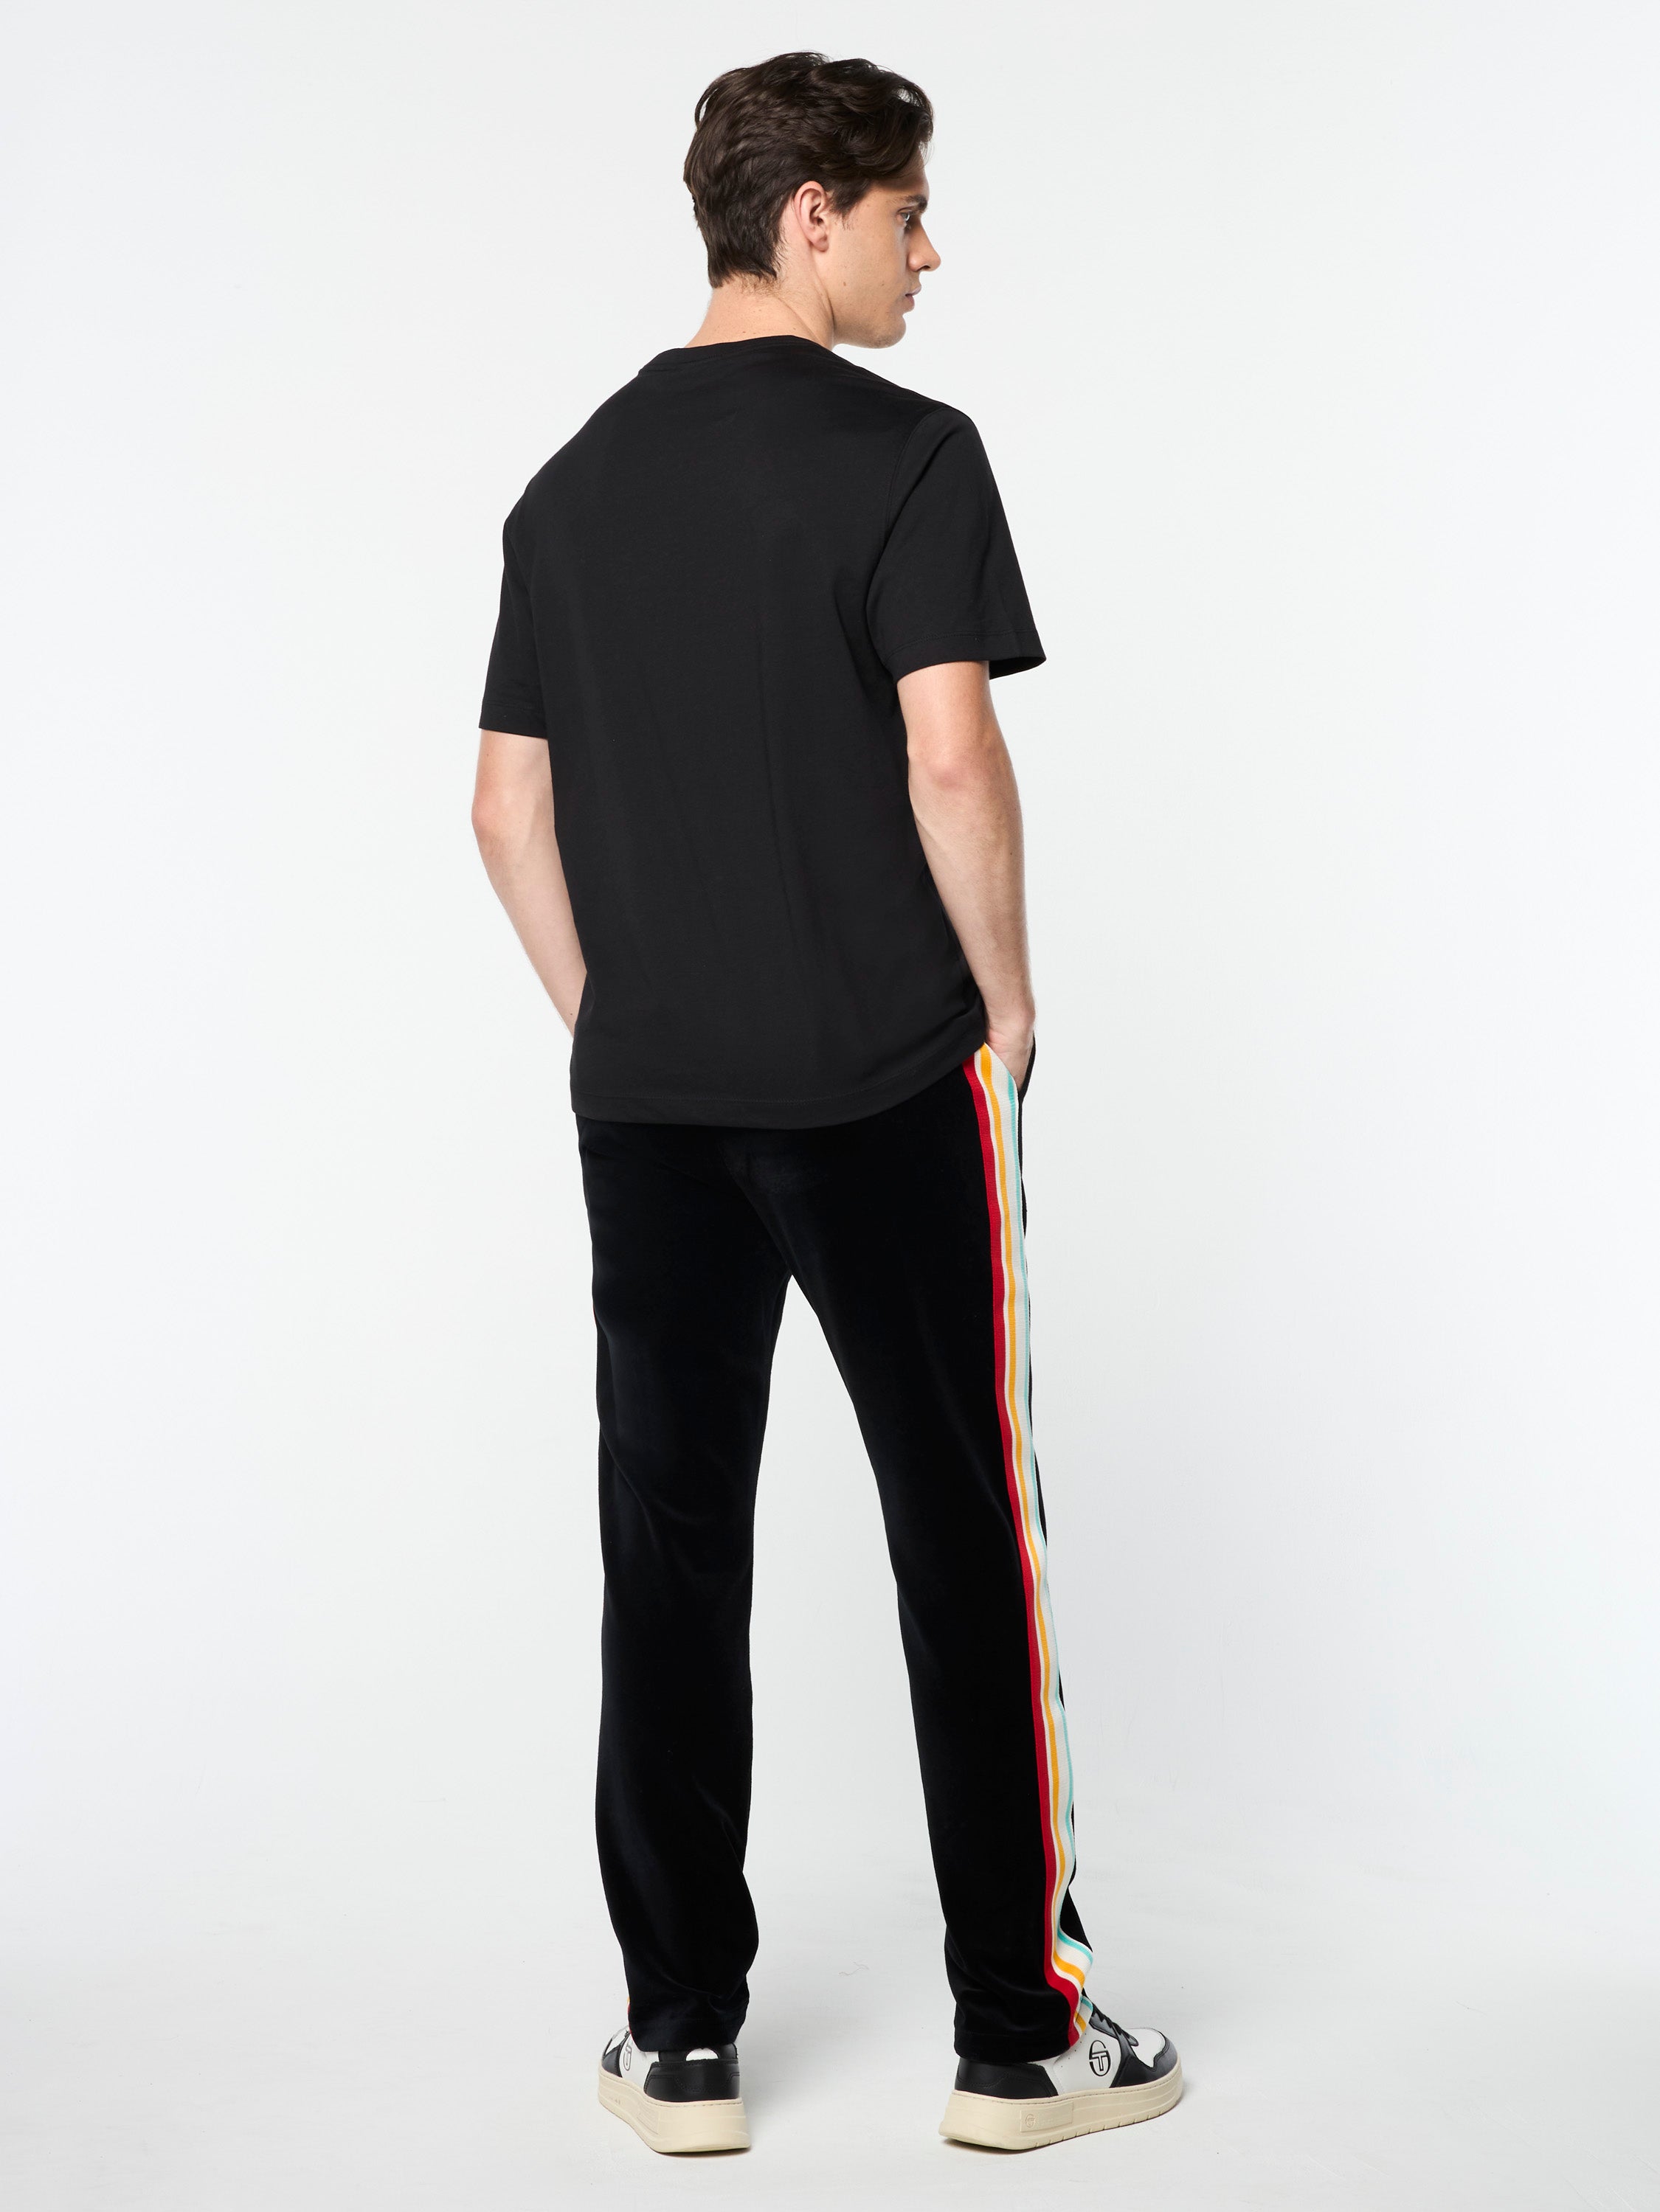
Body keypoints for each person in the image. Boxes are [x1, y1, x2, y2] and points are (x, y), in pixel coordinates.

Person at [471, 50, 1180, 2157]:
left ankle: (679, 2038)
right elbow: (949, 756)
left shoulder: (568, 488)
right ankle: (1019, 2041)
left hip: (651, 1103)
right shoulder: (908, 454)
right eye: (906, 213)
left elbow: (503, 809)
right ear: (811, 216)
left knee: (667, 1541)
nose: (927, 254)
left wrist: (622, 1017)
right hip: (881, 1081)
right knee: (966, 1535)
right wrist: (1009, 1004)